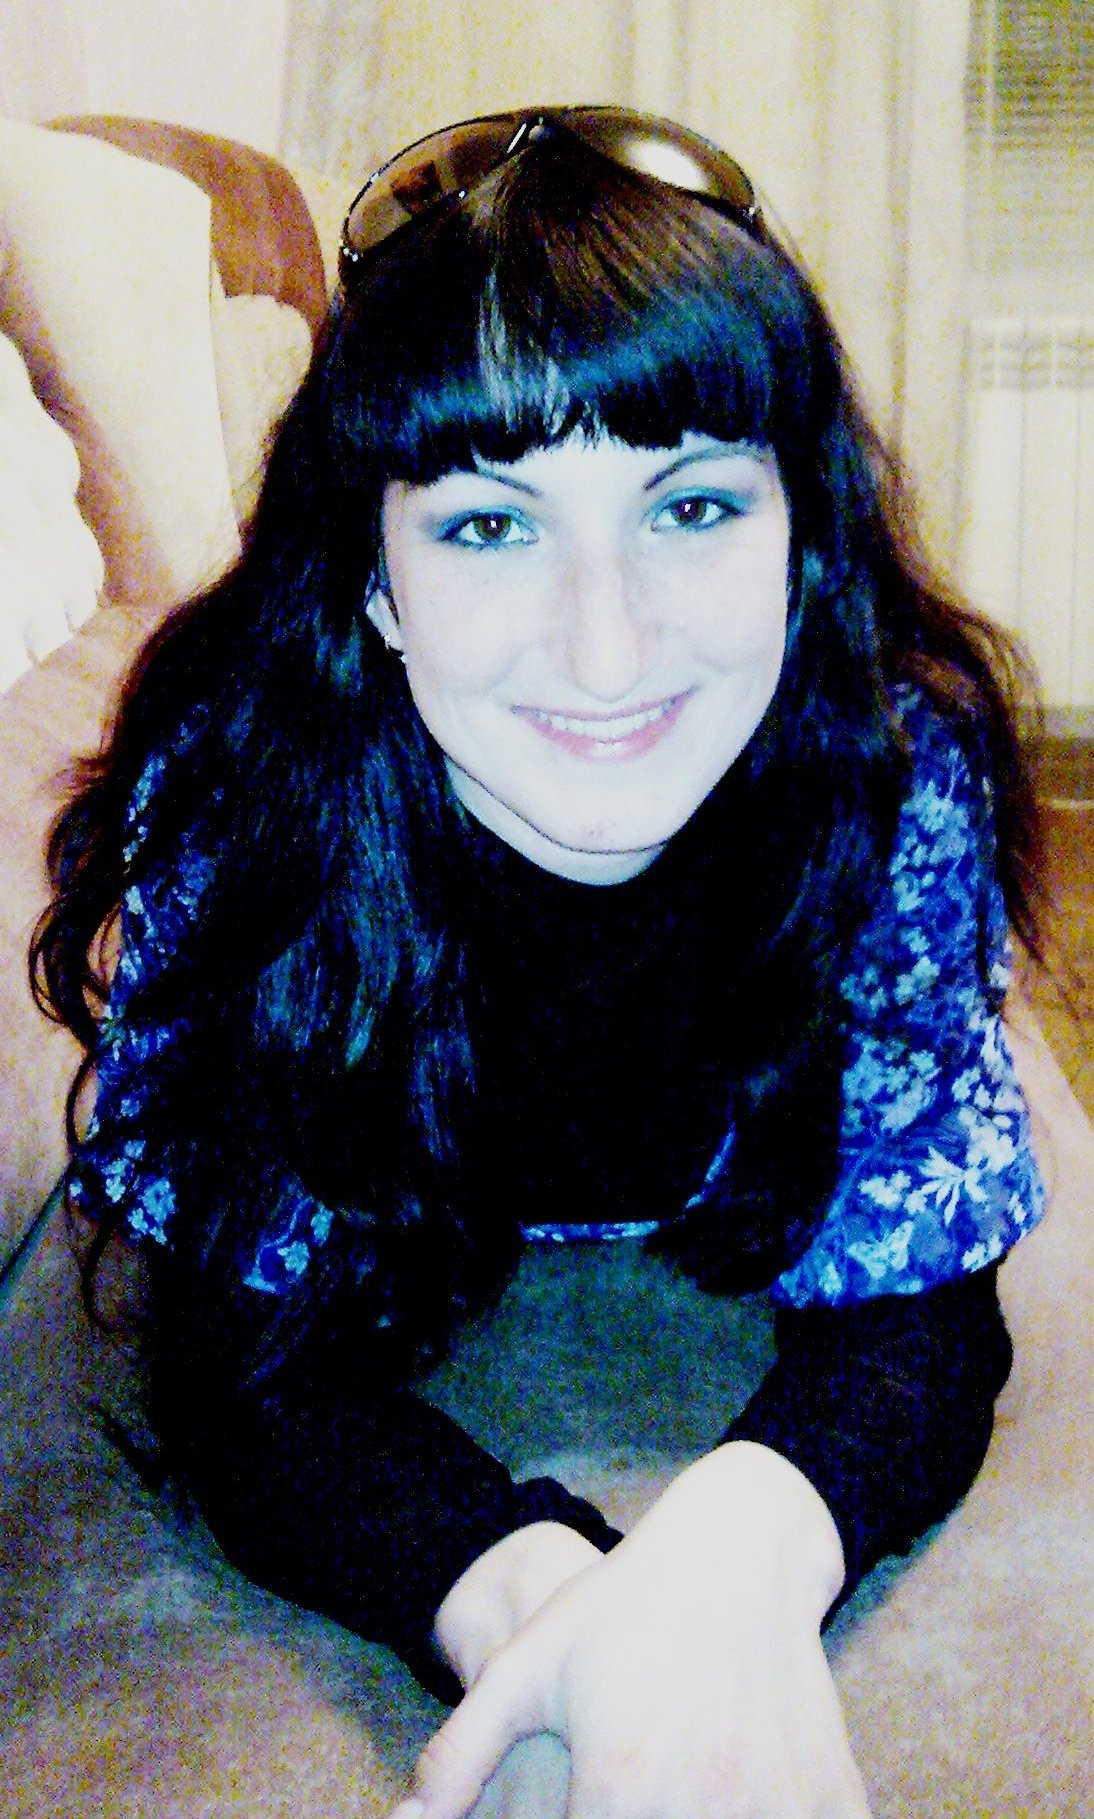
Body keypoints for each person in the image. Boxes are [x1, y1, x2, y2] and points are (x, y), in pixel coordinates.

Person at [33, 107, 1047, 1817]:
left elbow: (921, 1293)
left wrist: (734, 1559)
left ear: (801, 542)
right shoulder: (242, 797)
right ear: (373, 580)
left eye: (690, 507)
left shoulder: (889, 771)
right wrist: (531, 1604)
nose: (605, 646)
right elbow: (236, 1356)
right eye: (490, 527)